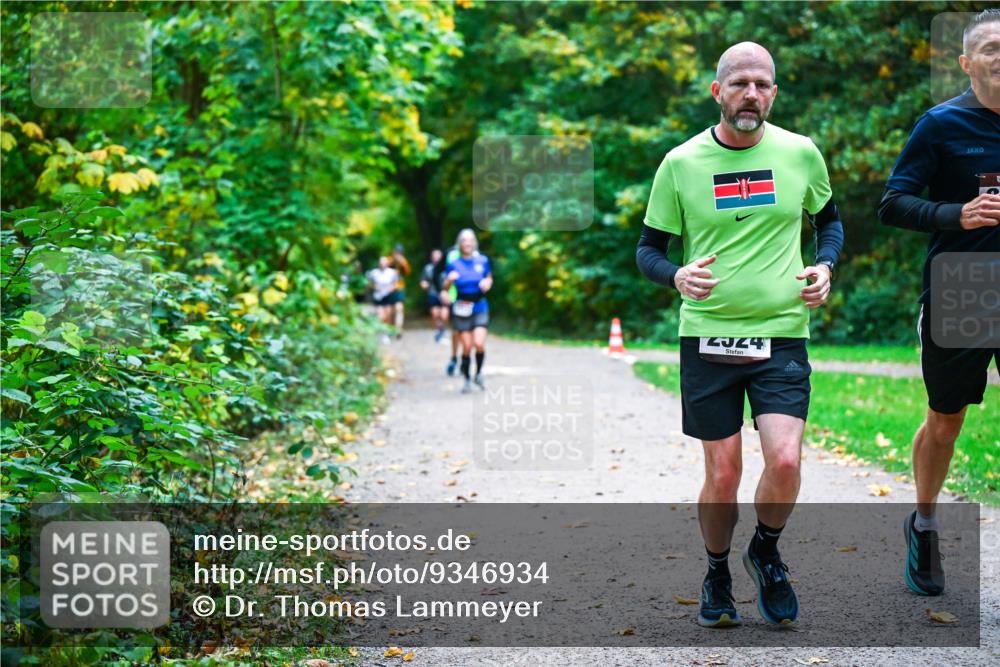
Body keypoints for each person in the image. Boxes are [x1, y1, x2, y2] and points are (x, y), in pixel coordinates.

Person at [637, 42, 844, 628]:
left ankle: (767, 550)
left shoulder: (801, 154)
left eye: (762, 84)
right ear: (717, 91)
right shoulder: (680, 163)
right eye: (739, 84)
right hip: (707, 336)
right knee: (723, 474)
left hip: (781, 333)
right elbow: (649, 250)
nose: (751, 94)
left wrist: (824, 266)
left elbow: (829, 225)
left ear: (774, 92)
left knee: (784, 460)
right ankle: (717, 569)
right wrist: (676, 274)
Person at [877, 9, 999, 597]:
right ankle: (924, 521)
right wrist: (957, 214)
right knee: (946, 421)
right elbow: (893, 203)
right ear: (967, 62)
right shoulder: (941, 124)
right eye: (992, 48)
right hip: (964, 288)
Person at [443, 229, 493, 393]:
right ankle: (466, 379)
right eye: (464, 240)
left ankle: (478, 374)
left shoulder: (483, 260)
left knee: (478, 344)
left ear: (474, 242)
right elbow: (445, 287)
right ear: (460, 244)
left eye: (470, 240)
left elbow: (489, 278)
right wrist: (449, 281)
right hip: (462, 307)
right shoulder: (454, 264)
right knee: (466, 346)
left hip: (479, 306)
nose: (467, 243)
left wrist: (487, 283)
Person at [420, 248, 449, 342]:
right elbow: (423, 281)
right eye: (434, 256)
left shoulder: (447, 267)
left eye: (438, 256)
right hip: (433, 293)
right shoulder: (428, 268)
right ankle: (439, 330)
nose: (436, 258)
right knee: (435, 314)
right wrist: (424, 285)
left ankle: (443, 330)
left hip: (445, 294)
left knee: (444, 315)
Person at [367, 256, 400, 332]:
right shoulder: (374, 272)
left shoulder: (392, 272)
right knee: (381, 316)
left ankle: (388, 330)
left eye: (384, 263)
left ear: (387, 263)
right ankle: (383, 331)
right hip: (378, 296)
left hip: (388, 296)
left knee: (388, 314)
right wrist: (374, 286)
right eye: (381, 263)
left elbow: (396, 284)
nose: (382, 264)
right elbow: (369, 283)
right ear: (379, 264)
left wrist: (392, 288)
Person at [388, 244, 411, 339]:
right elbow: (385, 265)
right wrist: (393, 260)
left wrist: (403, 263)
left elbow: (408, 272)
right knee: (391, 310)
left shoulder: (403, 261)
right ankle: (391, 329)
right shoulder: (389, 259)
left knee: (399, 308)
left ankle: (398, 329)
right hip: (389, 288)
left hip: (399, 287)